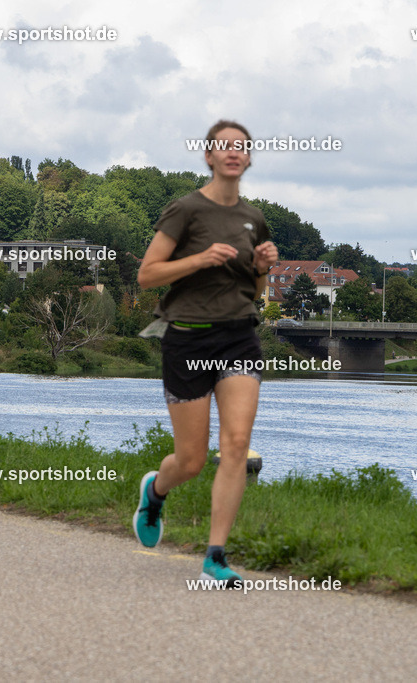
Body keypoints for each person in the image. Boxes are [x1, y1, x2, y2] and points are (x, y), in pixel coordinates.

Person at [132, 120, 278, 585]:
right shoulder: (186, 210)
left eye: (242, 147)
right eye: (223, 147)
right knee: (191, 461)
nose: (233, 153)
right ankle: (155, 493)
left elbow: (254, 292)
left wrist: (260, 269)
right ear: (210, 157)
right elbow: (147, 275)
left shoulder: (254, 218)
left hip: (239, 336)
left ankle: (216, 555)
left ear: (249, 159)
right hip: (189, 338)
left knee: (235, 445)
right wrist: (199, 259)